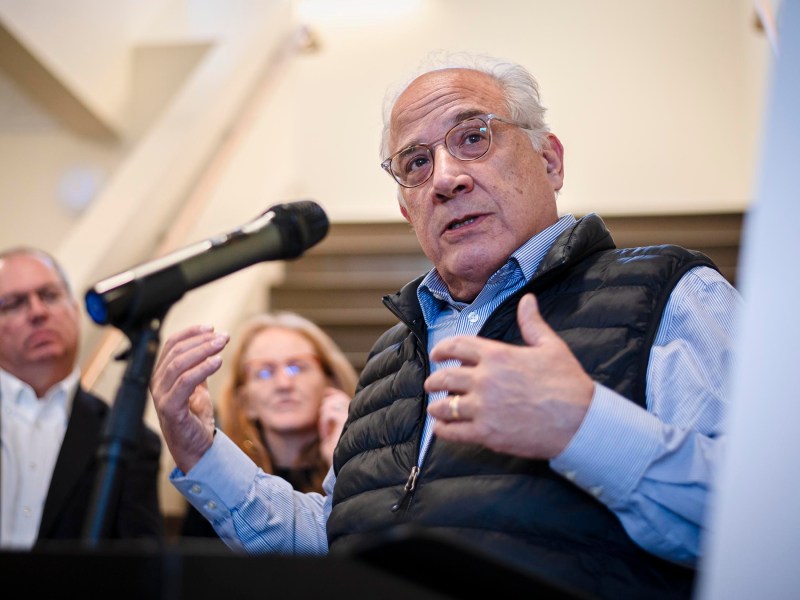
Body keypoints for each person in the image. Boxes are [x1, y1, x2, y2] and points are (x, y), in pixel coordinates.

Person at [149, 51, 742, 598]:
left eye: (474, 138)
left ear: (550, 160)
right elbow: (332, 541)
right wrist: (202, 453)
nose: (446, 177)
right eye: (416, 162)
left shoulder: (670, 292)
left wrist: (583, 426)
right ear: (407, 208)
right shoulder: (389, 356)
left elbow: (763, 526)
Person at [0, 246, 164, 549]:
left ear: (75, 310)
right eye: (13, 304)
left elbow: (140, 571)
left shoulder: (131, 440)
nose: (38, 312)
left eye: (50, 295)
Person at [179, 311, 356, 540]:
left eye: (297, 367)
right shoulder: (223, 477)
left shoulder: (366, 462)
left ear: (330, 382)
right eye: (264, 372)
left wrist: (344, 460)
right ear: (245, 401)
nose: (284, 383)